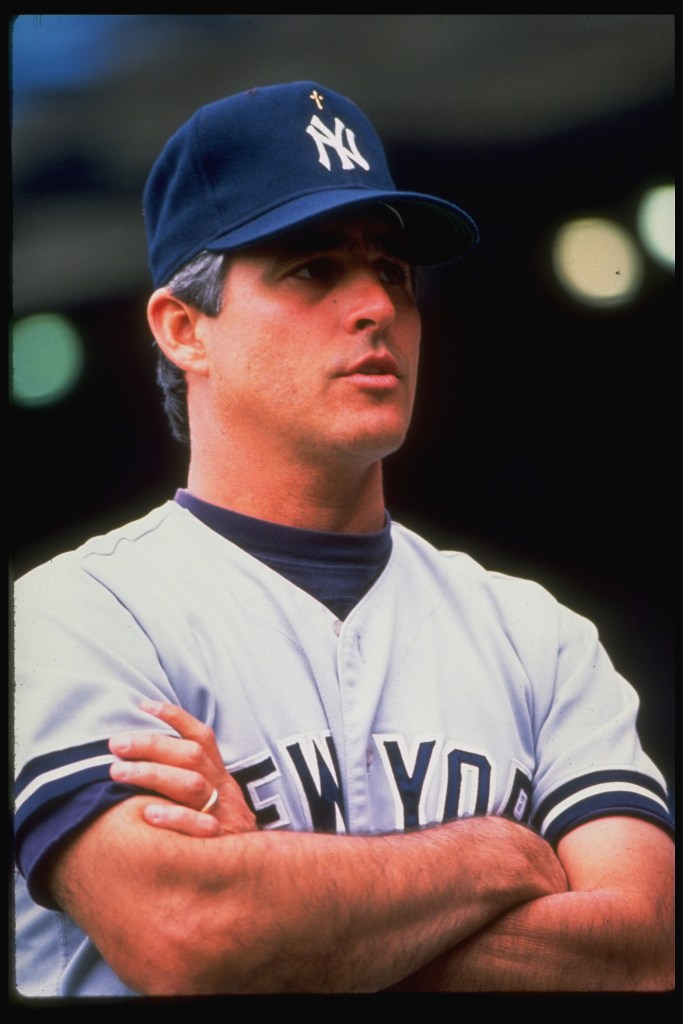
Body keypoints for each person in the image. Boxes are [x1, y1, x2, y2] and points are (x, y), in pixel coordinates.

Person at [13, 80, 674, 998]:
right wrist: (498, 856)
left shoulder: (538, 635)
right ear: (182, 330)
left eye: (393, 272)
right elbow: (190, 934)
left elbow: (641, 953)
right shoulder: (75, 616)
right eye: (311, 269)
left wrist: (279, 898)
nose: (373, 307)